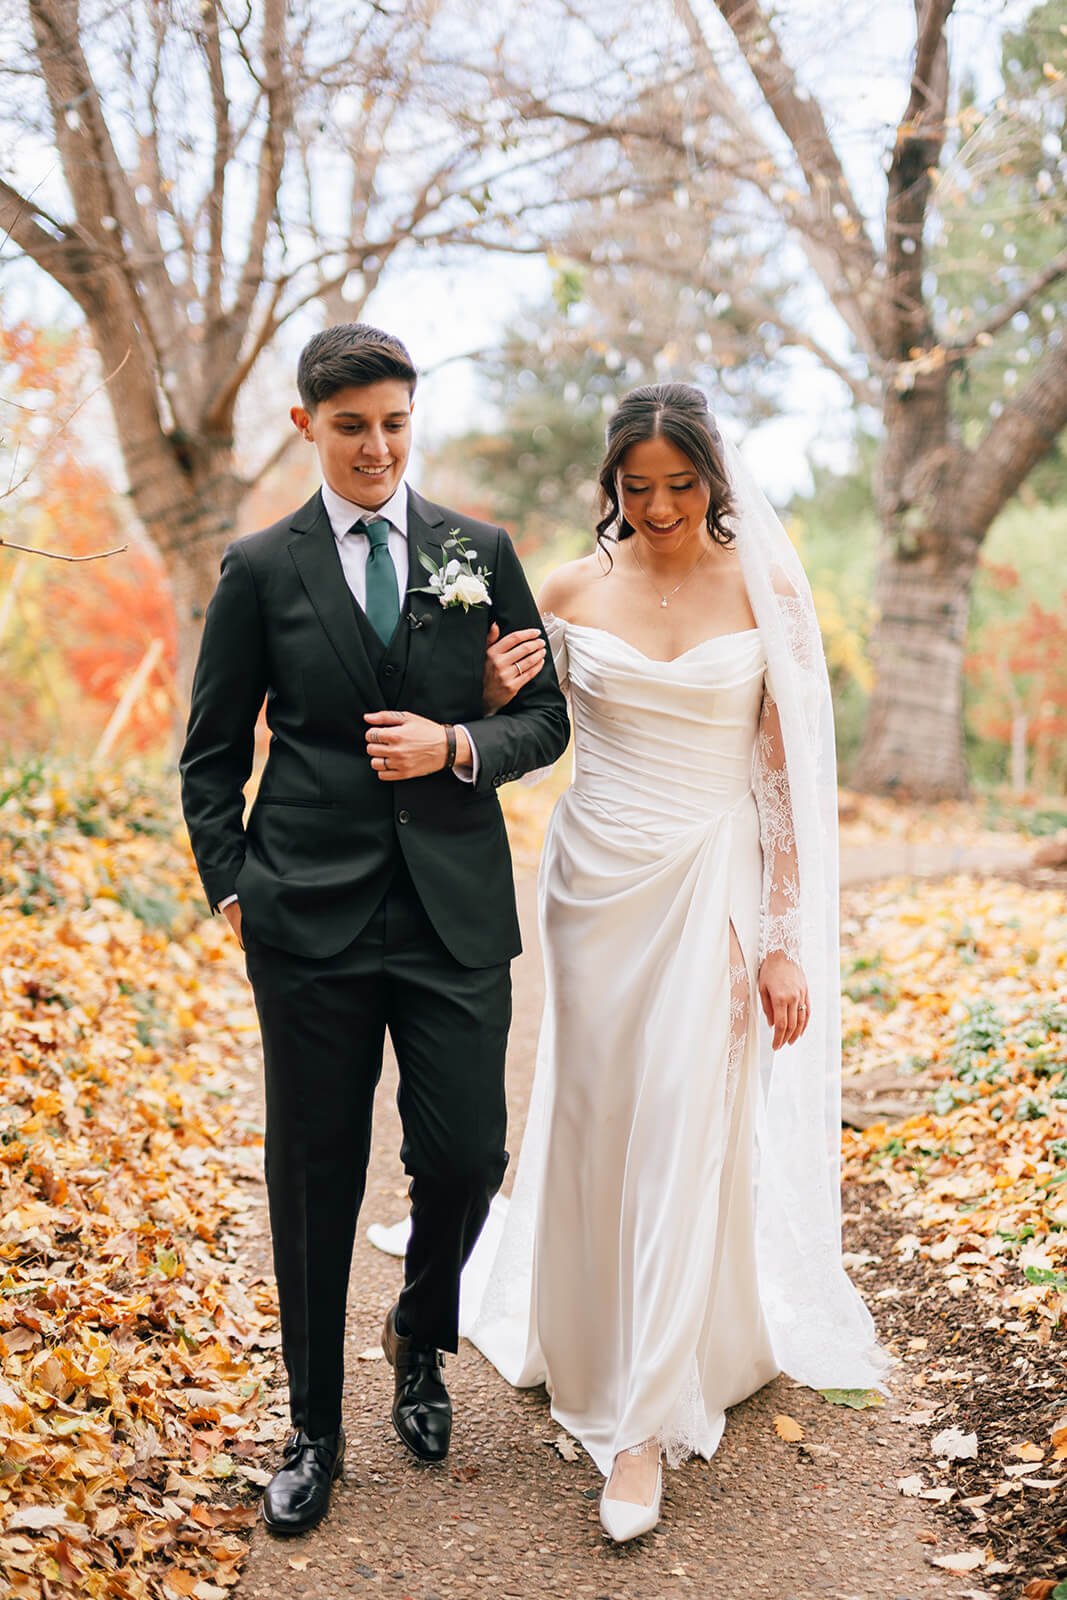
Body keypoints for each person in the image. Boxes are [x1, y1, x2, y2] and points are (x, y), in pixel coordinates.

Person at [371, 382, 884, 1542]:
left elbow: (780, 779)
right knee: (598, 1115)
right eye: (636, 487)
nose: (656, 508)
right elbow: (518, 729)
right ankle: (586, 1333)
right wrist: (484, 695)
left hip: (713, 880)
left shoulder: (762, 590)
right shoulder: (564, 590)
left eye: (679, 486)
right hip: (591, 882)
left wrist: (782, 943)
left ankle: (641, 1423)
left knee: (682, 1127)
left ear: (714, 480)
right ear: (610, 486)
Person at [179, 323, 569, 1536]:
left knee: (465, 1156)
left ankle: (418, 1330)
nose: (377, 447)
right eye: (351, 426)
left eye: (395, 423)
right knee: (314, 1174)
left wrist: (457, 742)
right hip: (306, 916)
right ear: (307, 425)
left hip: (452, 909)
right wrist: (236, 887)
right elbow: (208, 753)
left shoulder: (474, 550)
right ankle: (314, 1428)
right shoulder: (259, 568)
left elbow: (546, 719)